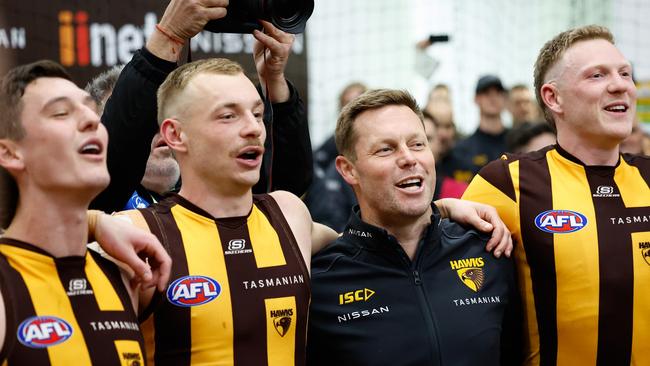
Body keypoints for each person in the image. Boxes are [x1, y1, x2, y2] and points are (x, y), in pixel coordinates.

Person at [462, 25, 650, 365]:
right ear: (554, 98)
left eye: (626, 73)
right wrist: (443, 209)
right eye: (597, 75)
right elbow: (413, 248)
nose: (621, 84)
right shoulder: (507, 181)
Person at [307, 89, 520, 365]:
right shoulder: (321, 281)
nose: (409, 158)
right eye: (386, 149)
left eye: (418, 144)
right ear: (348, 170)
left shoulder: (488, 248)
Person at [0, 60, 169, 364]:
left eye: (90, 111)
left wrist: (93, 222)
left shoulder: (125, 274)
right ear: (10, 152)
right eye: (61, 112)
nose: (92, 122)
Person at [90, 0, 313, 213]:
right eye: (149, 117)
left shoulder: (221, 199)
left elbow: (288, 185)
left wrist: (273, 81)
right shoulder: (97, 210)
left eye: (256, 115)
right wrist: (168, 36)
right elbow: (111, 169)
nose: (161, 127)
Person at [440, 75, 509, 183]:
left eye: (498, 92)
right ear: (476, 99)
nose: (493, 98)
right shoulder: (460, 151)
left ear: (505, 99)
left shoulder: (519, 143)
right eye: (486, 93)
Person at [313, 82, 368, 174]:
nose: (352, 108)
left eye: (356, 102)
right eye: (347, 103)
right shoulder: (335, 141)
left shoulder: (381, 134)